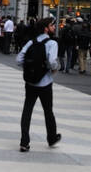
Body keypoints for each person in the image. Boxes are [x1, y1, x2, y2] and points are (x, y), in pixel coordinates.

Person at [16, 17, 61, 152]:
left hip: (30, 82)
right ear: (46, 28)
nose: (54, 27)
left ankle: (24, 142)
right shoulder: (52, 43)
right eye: (52, 25)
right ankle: (51, 138)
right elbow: (53, 61)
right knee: (48, 111)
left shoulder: (31, 42)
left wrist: (30, 67)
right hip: (45, 82)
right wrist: (54, 68)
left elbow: (18, 59)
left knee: (27, 111)